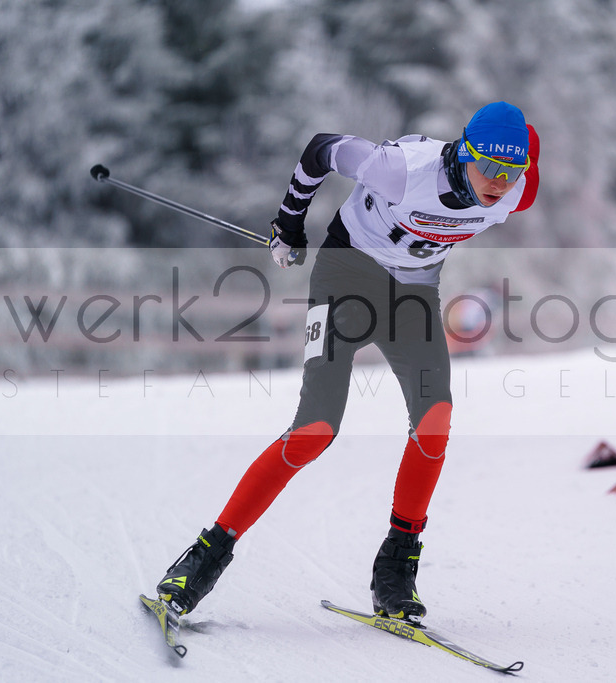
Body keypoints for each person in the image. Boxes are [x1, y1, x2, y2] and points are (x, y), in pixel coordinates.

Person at [153, 102, 539, 623]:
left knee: (435, 424)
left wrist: (513, 154)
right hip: (344, 279)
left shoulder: (517, 189)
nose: (499, 182)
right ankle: (202, 559)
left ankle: (395, 571)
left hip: (413, 297)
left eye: (511, 170)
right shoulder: (402, 171)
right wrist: (290, 223)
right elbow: (320, 149)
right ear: (464, 152)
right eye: (490, 166)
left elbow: (523, 147)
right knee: (314, 429)